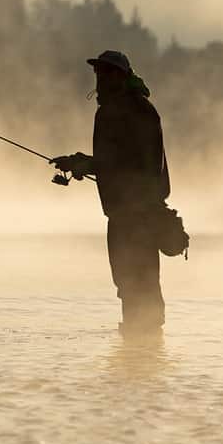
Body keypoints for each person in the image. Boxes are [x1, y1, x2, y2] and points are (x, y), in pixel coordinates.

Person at [50, 50, 175, 335]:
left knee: (138, 281)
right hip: (123, 214)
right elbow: (115, 162)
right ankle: (139, 348)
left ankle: (143, 342)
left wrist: (85, 164)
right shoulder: (118, 110)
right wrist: (82, 163)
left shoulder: (133, 112)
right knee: (129, 282)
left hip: (138, 215)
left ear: (121, 76)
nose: (100, 79)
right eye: (98, 73)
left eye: (106, 73)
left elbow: (136, 165)